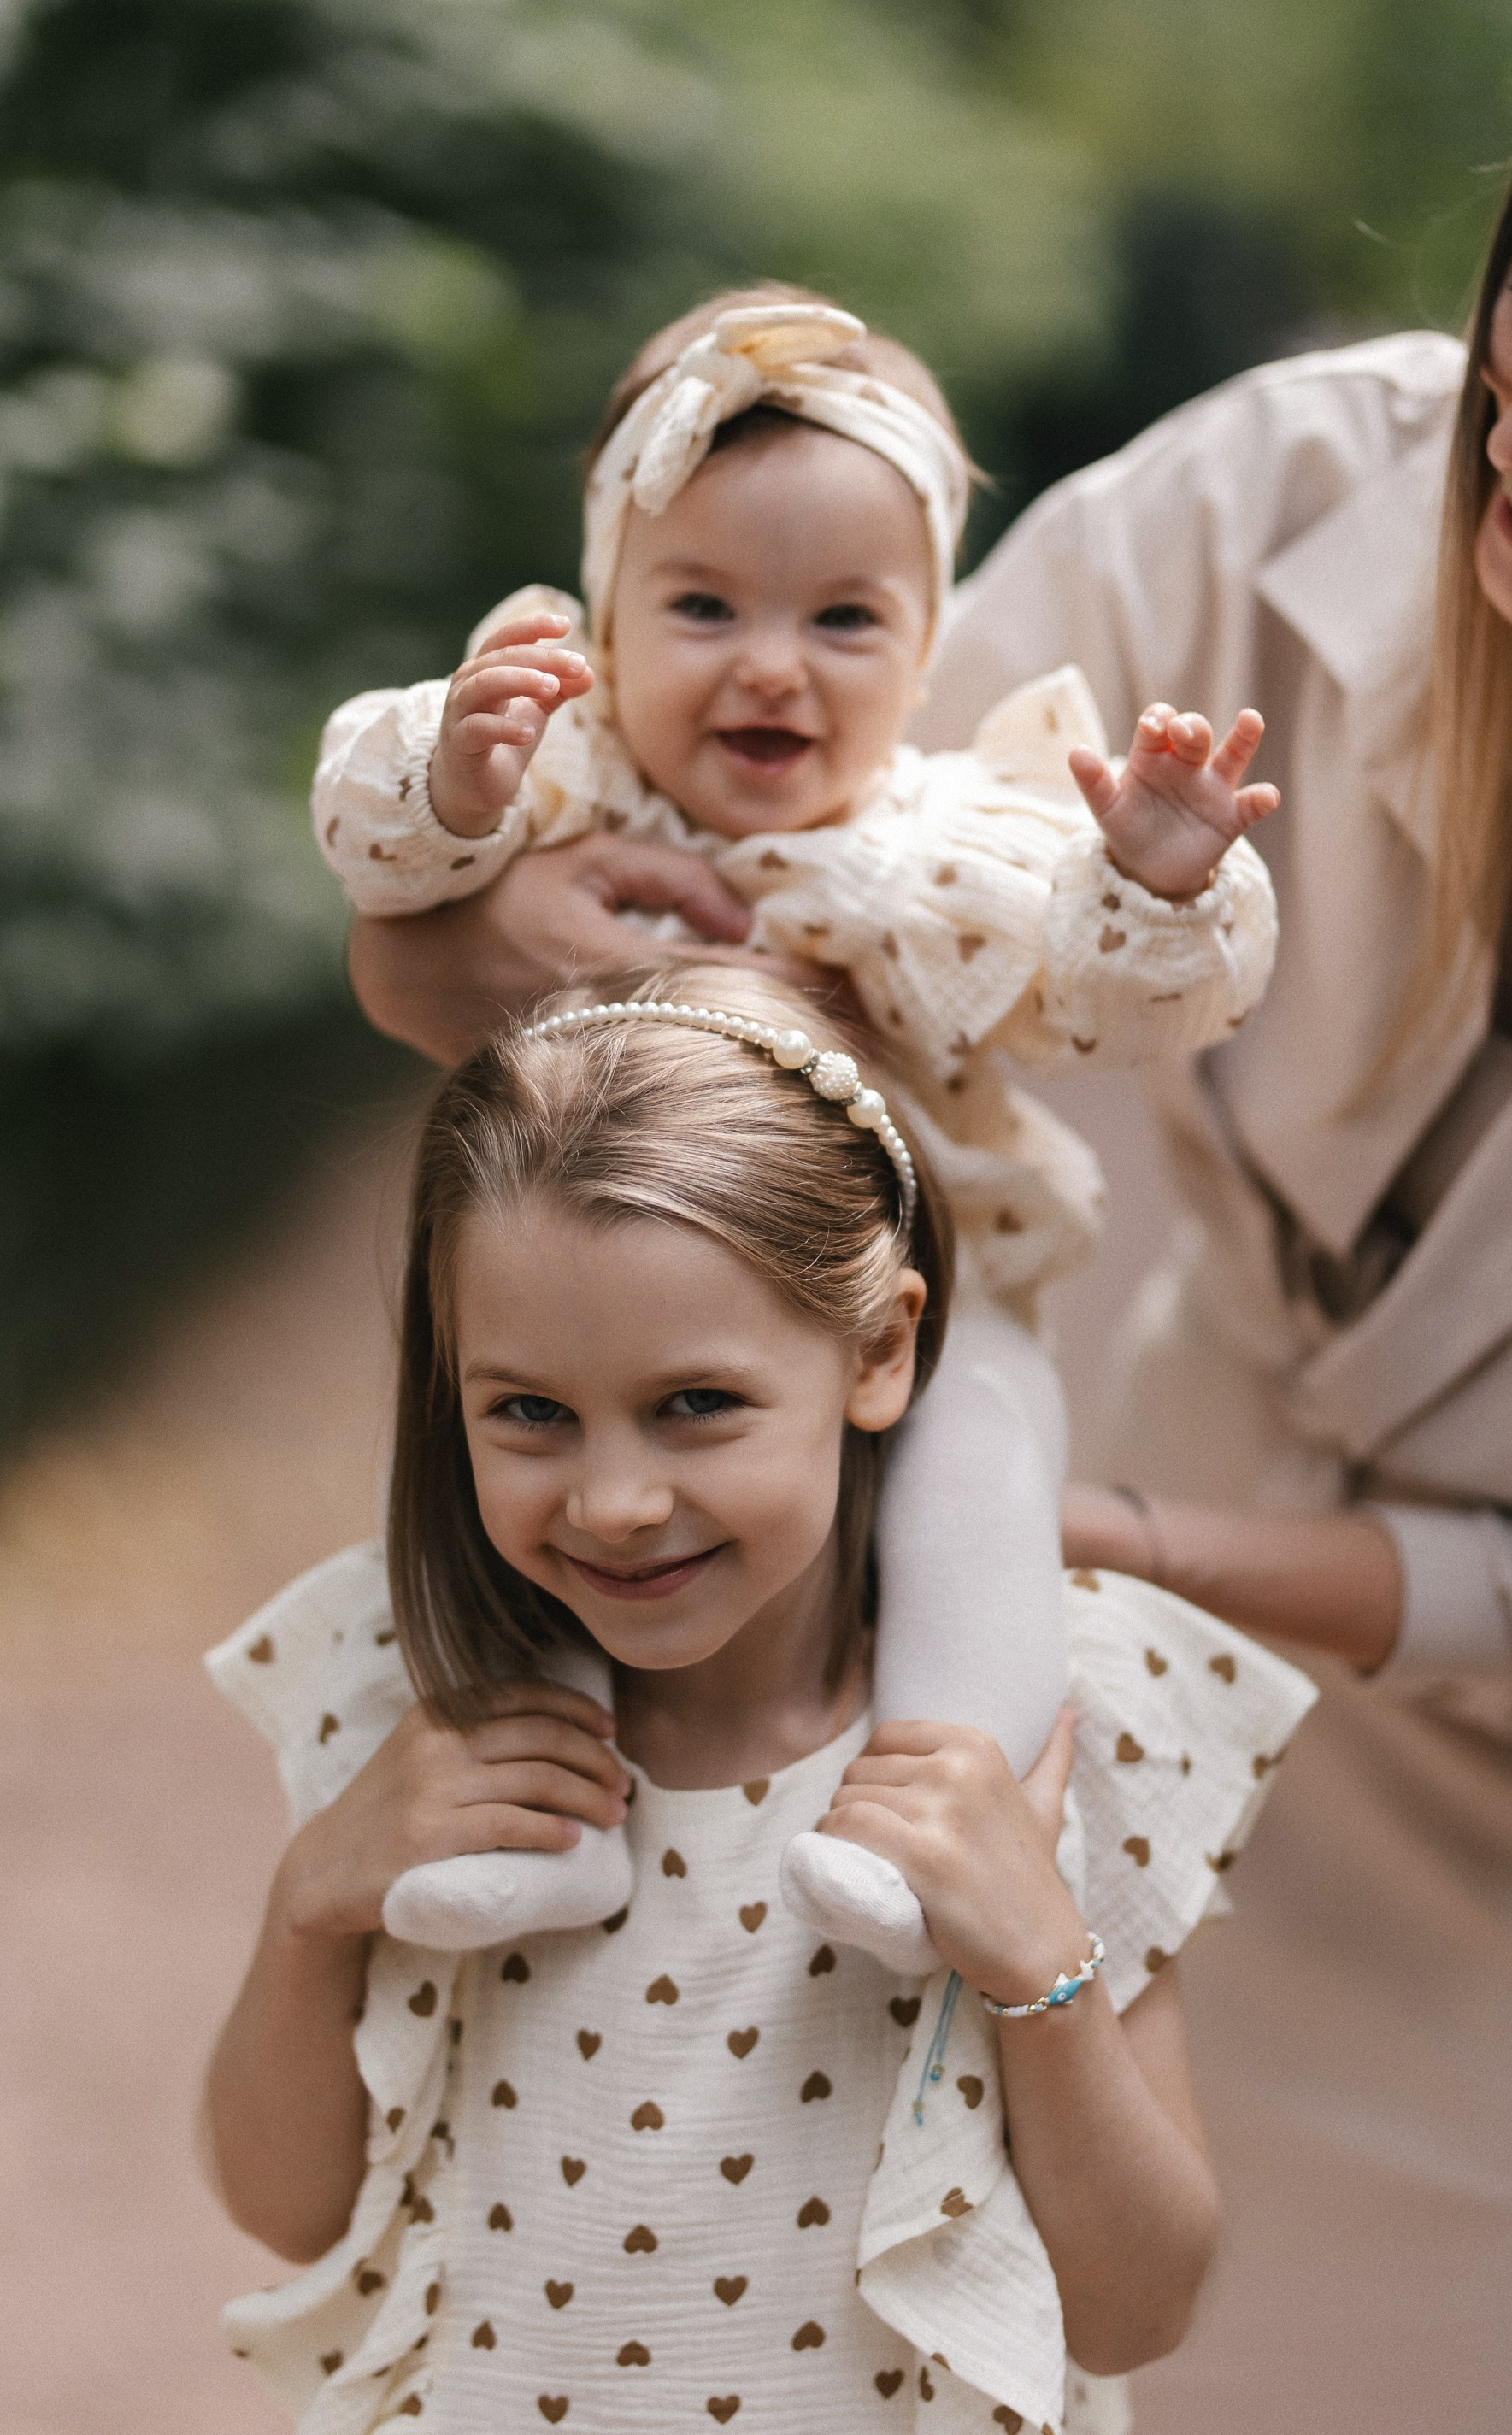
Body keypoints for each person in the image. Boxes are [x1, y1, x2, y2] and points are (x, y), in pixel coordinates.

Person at [903, 5, 1512, 2435]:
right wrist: (506, 913)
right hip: (1126, 1729)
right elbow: (868, 837)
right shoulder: (1279, 496)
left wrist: (1149, 1538)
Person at [202, 960, 1315, 2435]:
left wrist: (1038, 1962)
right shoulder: (422, 1710)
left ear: (878, 1349)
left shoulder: (1045, 1730)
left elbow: (1139, 2306)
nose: (612, 1500)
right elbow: (287, 2208)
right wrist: (309, 1909)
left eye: (695, 1405)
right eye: (529, 1411)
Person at [307, 285, 1278, 1970]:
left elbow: (1126, 1011)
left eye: (842, 620)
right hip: (588, 1275)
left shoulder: (954, 844)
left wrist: (1151, 889)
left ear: (924, 647)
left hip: (916, 1292)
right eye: (701, 605)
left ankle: (938, 1814)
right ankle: (532, 1815)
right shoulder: (564, 775)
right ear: (605, 617)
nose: (770, 664)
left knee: (987, 1470)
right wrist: (452, 784)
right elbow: (371, 845)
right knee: (524, 1469)